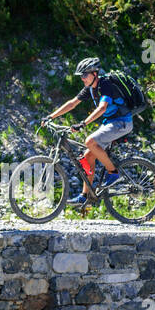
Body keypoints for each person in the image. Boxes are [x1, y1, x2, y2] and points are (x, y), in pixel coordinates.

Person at [43, 56, 132, 206]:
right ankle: (86, 195)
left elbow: (102, 107)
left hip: (122, 122)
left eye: (85, 74)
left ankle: (114, 173)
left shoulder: (105, 85)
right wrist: (50, 116)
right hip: (110, 123)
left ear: (94, 74)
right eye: (81, 75)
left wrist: (83, 124)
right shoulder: (91, 88)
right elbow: (72, 103)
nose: (82, 78)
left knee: (89, 141)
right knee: (88, 156)